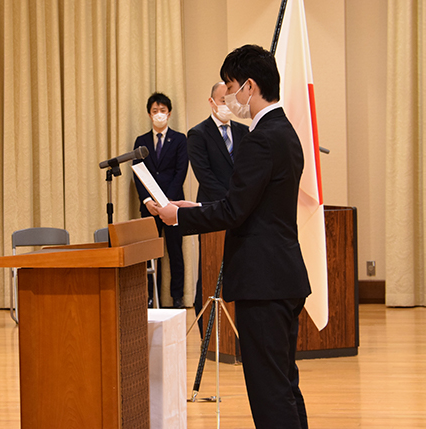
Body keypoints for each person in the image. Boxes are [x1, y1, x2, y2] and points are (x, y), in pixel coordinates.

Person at [154, 45, 311, 428]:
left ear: (249, 86)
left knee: (269, 391)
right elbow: (246, 202)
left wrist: (176, 217)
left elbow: (235, 211)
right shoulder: (285, 131)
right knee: (284, 384)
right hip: (281, 276)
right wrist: (193, 208)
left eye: (230, 85)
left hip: (264, 281)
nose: (228, 94)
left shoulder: (260, 138)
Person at [187, 81, 249, 336]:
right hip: (213, 210)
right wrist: (231, 201)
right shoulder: (198, 134)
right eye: (223, 101)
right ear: (212, 102)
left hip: (241, 211)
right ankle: (208, 333)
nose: (227, 105)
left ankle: (236, 331)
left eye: (230, 100)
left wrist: (242, 202)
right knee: (209, 269)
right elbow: (205, 176)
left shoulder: (245, 132)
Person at [132, 92, 189, 308]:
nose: (159, 114)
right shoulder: (141, 141)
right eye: (155, 111)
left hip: (173, 206)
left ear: (170, 113)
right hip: (150, 207)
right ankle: (149, 297)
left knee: (175, 250)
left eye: (162, 110)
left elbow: (181, 171)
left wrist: (166, 202)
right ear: (149, 114)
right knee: (149, 254)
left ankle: (177, 297)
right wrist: (148, 200)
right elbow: (137, 173)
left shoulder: (180, 139)